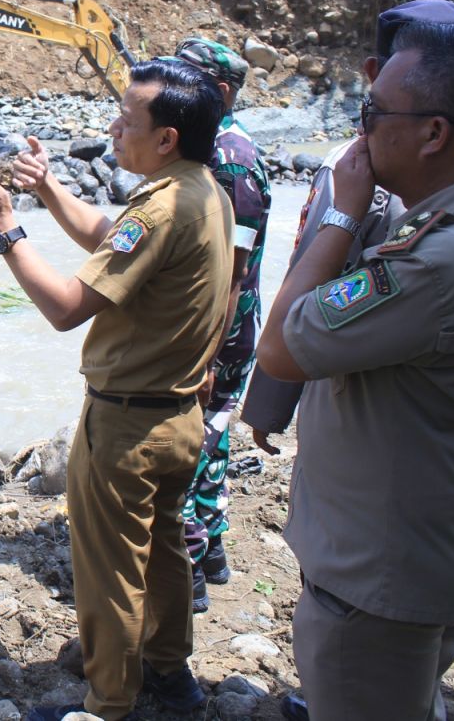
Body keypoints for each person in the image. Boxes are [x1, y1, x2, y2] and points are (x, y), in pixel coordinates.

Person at [0, 60, 232, 721]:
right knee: (162, 556)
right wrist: (50, 189)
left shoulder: (159, 209)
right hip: (180, 417)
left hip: (127, 430)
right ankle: (168, 672)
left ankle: (108, 705)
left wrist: (2, 232)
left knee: (109, 575)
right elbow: (110, 244)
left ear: (165, 139)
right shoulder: (200, 192)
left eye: (127, 121)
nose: (112, 128)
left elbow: (68, 306)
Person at [257, 21, 454, 721]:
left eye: (373, 113)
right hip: (432, 549)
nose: (362, 132)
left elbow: (281, 349)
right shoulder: (447, 231)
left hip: (378, 577)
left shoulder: (438, 261)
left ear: (434, 133)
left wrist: (341, 217)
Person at [239, 0, 454, 452]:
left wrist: (268, 407)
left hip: (370, 424)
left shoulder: (357, 174)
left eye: (374, 111)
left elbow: (308, 275)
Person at [170, 38, 271, 613]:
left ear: (223, 92)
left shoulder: (228, 160)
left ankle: (190, 568)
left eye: (190, 79)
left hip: (219, 331)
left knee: (191, 442)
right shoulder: (210, 147)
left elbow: (232, 270)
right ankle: (211, 554)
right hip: (216, 328)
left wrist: (205, 355)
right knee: (211, 436)